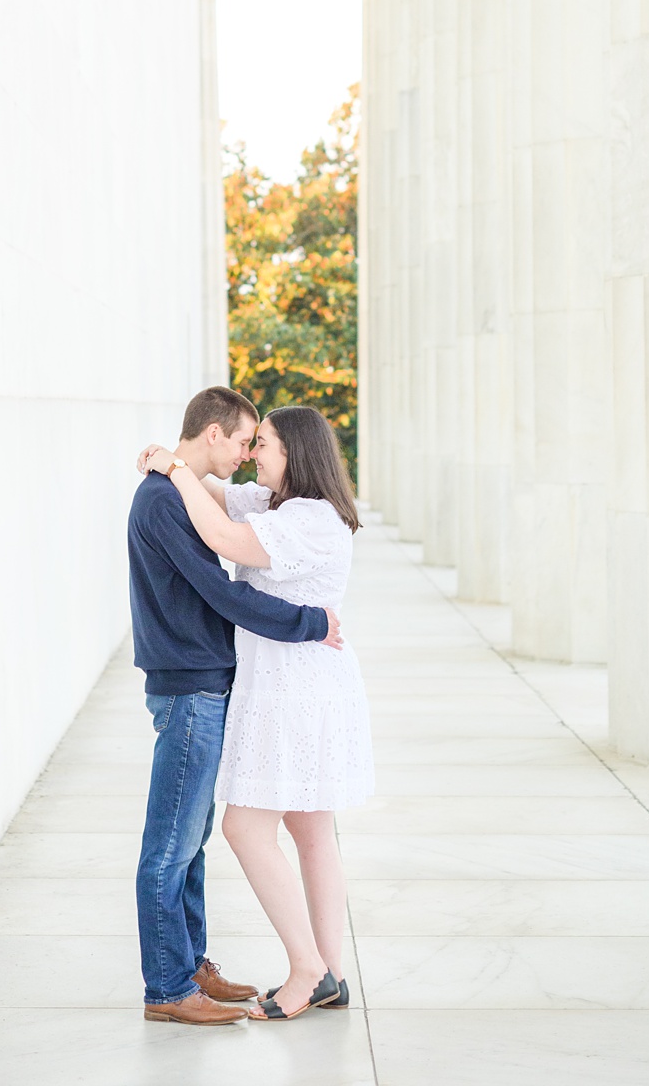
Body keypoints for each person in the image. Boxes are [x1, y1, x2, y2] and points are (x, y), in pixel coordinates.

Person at [141, 404, 372, 1020]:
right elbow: (217, 487)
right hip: (291, 683)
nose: (253, 454)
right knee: (310, 830)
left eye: (263, 444)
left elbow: (221, 539)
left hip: (294, 688)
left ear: (295, 453)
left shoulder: (310, 520)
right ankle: (331, 973)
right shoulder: (276, 505)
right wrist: (180, 461)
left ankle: (307, 968)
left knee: (245, 828)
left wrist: (176, 470)